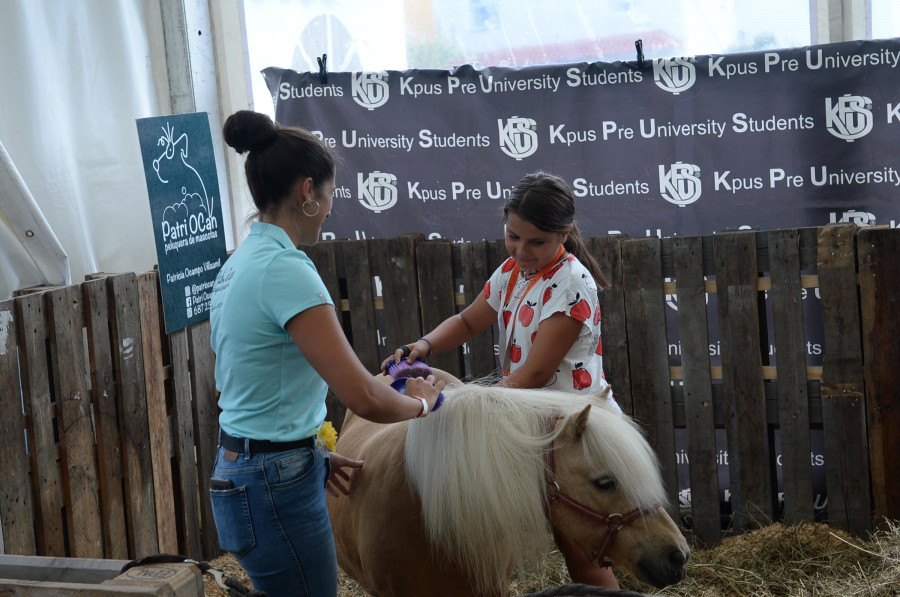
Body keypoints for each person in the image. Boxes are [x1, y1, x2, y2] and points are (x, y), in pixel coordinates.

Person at [209, 110, 445, 597]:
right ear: (308, 191)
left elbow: (255, 387)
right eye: (332, 194)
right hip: (273, 484)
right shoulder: (285, 268)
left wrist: (309, 452)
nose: (333, 208)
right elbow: (364, 397)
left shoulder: (242, 261)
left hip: (250, 470)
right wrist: (426, 404)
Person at [385, 171, 620, 589]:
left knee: (583, 554)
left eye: (536, 242)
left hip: (570, 430)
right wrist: (425, 344)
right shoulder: (512, 270)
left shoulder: (571, 284)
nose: (522, 250)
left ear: (563, 235)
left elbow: (536, 373)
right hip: (527, 417)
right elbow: (468, 318)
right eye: (513, 236)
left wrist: (467, 404)